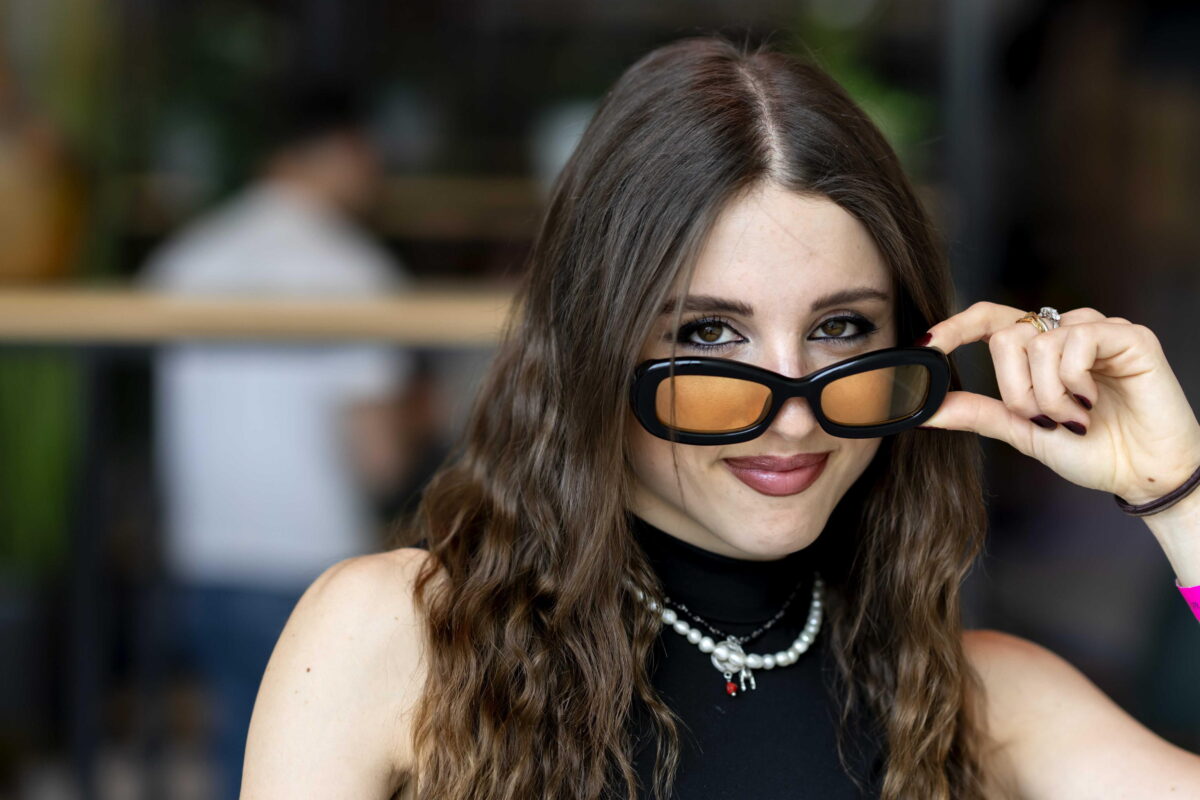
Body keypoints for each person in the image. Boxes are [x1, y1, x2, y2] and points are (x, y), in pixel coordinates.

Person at [240, 37, 1200, 799]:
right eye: (709, 333)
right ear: (594, 349)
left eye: (840, 328)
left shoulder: (973, 697)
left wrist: (1177, 491)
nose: (793, 416)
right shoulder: (396, 638)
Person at [139, 87, 414, 800]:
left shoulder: (184, 260)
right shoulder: (350, 271)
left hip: (205, 550)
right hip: (312, 559)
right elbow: (379, 455)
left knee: (237, 750)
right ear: (345, 151)